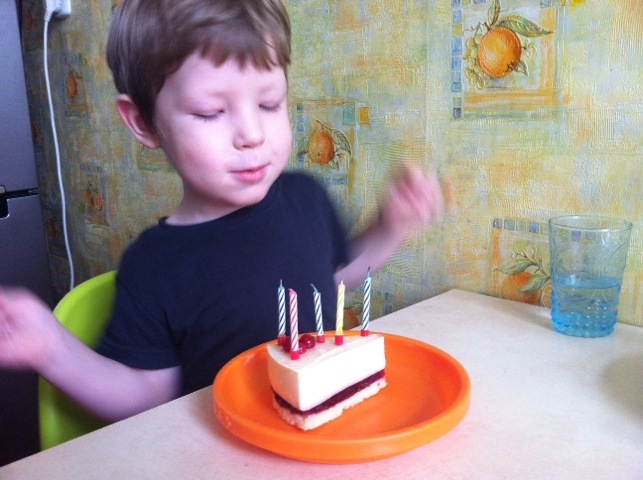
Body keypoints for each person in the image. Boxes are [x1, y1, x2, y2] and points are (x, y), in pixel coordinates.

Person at [0, 0, 443, 422]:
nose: (252, 134)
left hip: (326, 434)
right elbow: (144, 394)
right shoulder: (154, 265)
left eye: (269, 103)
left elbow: (334, 280)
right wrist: (51, 350)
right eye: (211, 112)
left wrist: (390, 226)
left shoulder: (306, 198)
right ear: (143, 122)